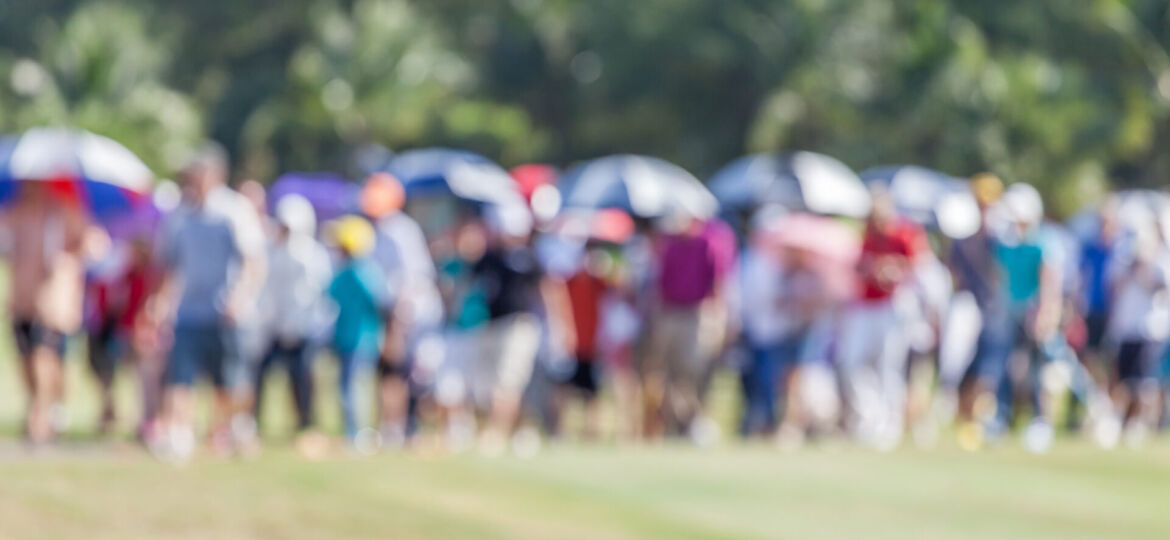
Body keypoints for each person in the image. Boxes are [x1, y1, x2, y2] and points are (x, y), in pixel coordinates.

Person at [152, 143, 266, 461]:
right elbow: (169, 264)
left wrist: (240, 298)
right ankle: (180, 434)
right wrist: (161, 302)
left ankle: (235, 430)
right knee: (181, 377)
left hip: (226, 313)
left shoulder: (234, 210)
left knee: (231, 380)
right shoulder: (180, 215)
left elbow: (253, 261)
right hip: (189, 311)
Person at [1, 181, 101, 444]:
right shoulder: (15, 213)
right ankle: (41, 404)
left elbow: (95, 243)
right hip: (22, 301)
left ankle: (41, 415)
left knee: (43, 357)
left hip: (53, 304)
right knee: (26, 360)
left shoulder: (64, 213)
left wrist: (69, 256)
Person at [837, 188, 925, 450]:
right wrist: (871, 268)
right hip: (865, 305)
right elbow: (857, 265)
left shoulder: (905, 233)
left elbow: (917, 266)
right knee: (852, 363)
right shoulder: (866, 235)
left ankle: (890, 424)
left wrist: (891, 269)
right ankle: (869, 418)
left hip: (892, 306)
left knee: (889, 367)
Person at [362, 173, 444, 448]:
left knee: (413, 374)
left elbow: (411, 280)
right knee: (391, 371)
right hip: (394, 310)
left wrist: (397, 321)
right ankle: (394, 428)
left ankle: (409, 428)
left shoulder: (400, 230)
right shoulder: (378, 230)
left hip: (412, 312)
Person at [253, 195, 331, 440]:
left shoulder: (312, 255)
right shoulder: (271, 250)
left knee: (302, 378)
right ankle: (253, 422)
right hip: (273, 327)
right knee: (259, 375)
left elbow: (314, 294)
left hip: (302, 329)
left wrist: (301, 325)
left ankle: (305, 424)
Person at [643, 213, 720, 441]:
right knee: (665, 372)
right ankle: (675, 424)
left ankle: (695, 421)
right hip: (669, 312)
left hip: (695, 313)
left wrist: (718, 317)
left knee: (691, 370)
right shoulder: (668, 245)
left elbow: (716, 283)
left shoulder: (706, 244)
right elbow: (660, 283)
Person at [327, 215, 388, 448]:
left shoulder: (356, 272)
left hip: (359, 339)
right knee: (353, 387)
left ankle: (356, 433)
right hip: (354, 338)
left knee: (353, 387)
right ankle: (354, 431)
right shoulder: (362, 271)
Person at [1104, 222, 1169, 446]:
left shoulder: (1159, 263)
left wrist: (1143, 268)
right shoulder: (1123, 262)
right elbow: (1113, 287)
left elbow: (1158, 289)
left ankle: (1141, 424)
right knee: (1123, 381)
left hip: (1149, 330)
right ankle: (1122, 422)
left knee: (1144, 383)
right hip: (1125, 330)